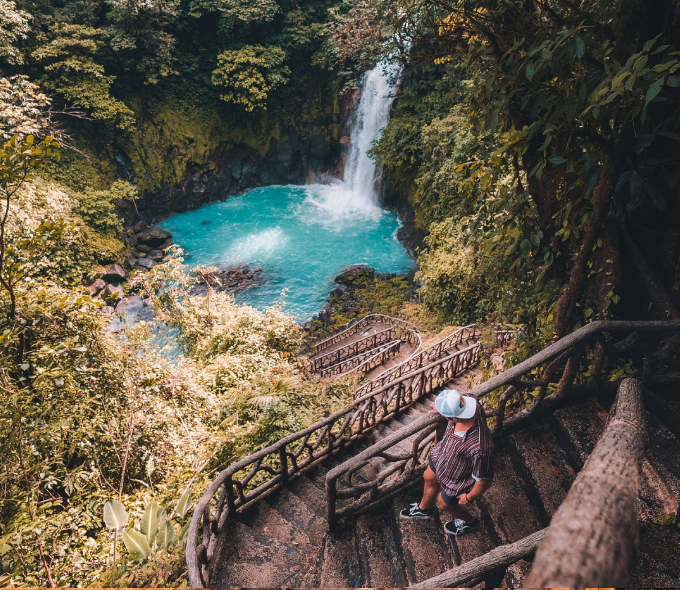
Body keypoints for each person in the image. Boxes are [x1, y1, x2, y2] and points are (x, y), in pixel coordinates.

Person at [400, 389, 494, 536]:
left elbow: (485, 479)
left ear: (453, 419)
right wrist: (442, 406)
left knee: (445, 504)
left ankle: (470, 522)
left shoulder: (479, 447)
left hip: (458, 476)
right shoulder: (469, 400)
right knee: (429, 477)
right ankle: (423, 509)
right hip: (442, 455)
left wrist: (469, 497)